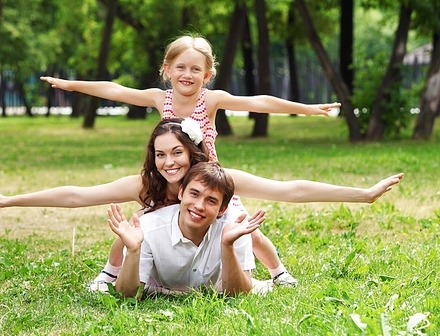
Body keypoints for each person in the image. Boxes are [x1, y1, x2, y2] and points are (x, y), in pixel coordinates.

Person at [40, 34, 341, 287]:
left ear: (207, 75)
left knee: (246, 227)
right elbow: (116, 90)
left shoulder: (210, 99)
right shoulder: (161, 98)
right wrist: (72, 85)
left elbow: (260, 102)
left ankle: (279, 273)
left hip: (207, 179)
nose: (187, 74)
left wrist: (308, 108)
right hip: (172, 177)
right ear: (167, 69)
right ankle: (108, 274)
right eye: (180, 67)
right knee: (139, 223)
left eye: (196, 69)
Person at [0, 119, 403, 289]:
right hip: (161, 244)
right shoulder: (148, 183)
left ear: (192, 153)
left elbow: (291, 188)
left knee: (242, 222)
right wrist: (8, 201)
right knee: (133, 226)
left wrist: (361, 195)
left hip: (218, 235)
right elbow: (78, 195)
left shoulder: (216, 178)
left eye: (177, 153)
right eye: (160, 154)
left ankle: (278, 272)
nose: (169, 162)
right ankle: (108, 275)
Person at [110, 161, 266, 297]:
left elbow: (239, 294)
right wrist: (133, 251)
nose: (199, 206)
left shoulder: (234, 227)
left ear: (222, 209)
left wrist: (227, 245)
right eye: (194, 194)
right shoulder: (148, 228)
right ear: (181, 192)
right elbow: (127, 296)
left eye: (211, 201)